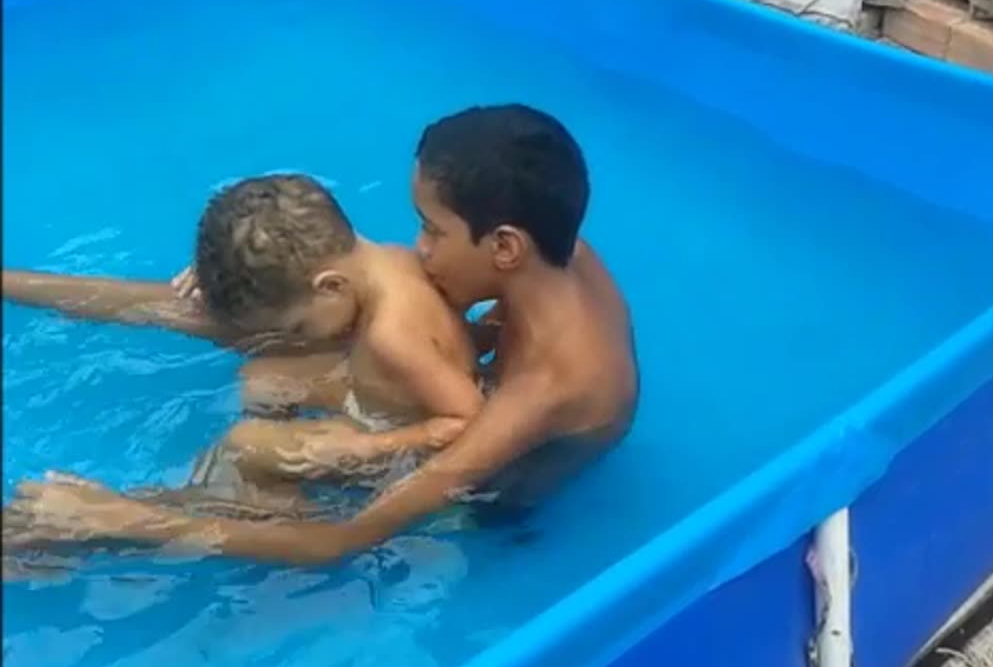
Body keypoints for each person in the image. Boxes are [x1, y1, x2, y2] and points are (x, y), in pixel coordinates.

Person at [5, 103, 639, 566]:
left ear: (503, 246)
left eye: (433, 231)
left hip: (492, 493)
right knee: (259, 332)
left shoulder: (544, 390)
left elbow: (338, 544)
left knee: (250, 448)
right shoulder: (557, 249)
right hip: (464, 402)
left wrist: (121, 520)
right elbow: (482, 333)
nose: (419, 249)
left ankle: (80, 528)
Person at [4, 173, 485, 523]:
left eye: (298, 326)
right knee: (261, 381)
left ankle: (105, 522)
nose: (296, 336)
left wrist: (367, 447)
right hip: (373, 392)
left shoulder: (392, 336)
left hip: (406, 450)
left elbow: (474, 423)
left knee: (244, 448)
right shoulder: (383, 262)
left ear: (330, 286)